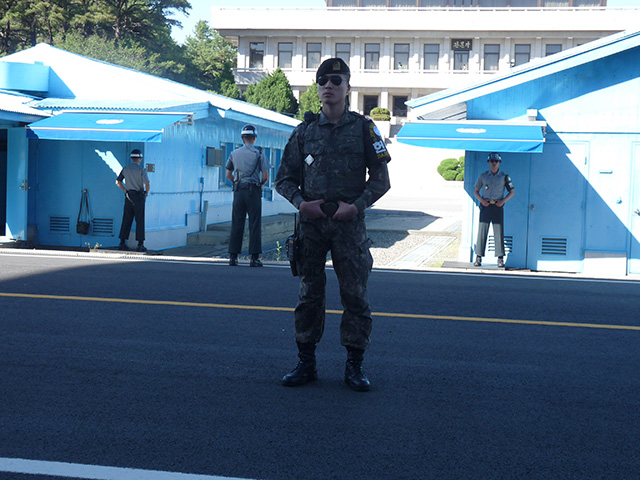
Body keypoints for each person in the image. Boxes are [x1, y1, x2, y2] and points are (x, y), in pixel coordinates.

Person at [275, 58, 391, 392]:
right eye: (323, 80)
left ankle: (355, 366)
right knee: (309, 295)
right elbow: (284, 179)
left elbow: (381, 180)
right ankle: (306, 362)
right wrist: (301, 204)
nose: (329, 85)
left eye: (336, 80)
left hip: (349, 228)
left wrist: (355, 208)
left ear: (348, 87)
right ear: (317, 87)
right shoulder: (304, 131)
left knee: (355, 296)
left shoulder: (364, 130)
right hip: (311, 227)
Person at [226, 124, 271, 267]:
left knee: (237, 222)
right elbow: (265, 177)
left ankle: (233, 257)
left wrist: (237, 183)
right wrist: (259, 185)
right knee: (255, 223)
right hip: (253, 190)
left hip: (239, 190)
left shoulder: (234, 153)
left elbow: (228, 175)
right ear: (255, 138)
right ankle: (254, 258)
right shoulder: (259, 154)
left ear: (242, 138)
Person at [473, 152, 515, 268]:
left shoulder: (504, 176)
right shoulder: (483, 176)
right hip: (486, 206)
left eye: (496, 161)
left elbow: (512, 192)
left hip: (497, 206)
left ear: (499, 163)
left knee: (499, 232)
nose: (494, 163)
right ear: (488, 162)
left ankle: (500, 258)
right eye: (492, 161)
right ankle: (478, 257)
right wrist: (481, 200)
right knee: (482, 231)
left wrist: (503, 201)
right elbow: (476, 191)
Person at [116, 149, 150, 252]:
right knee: (139, 220)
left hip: (128, 195)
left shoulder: (125, 169)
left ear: (131, 158)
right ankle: (140, 244)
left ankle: (122, 242)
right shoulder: (142, 170)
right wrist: (146, 194)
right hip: (139, 196)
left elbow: (118, 182)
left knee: (126, 219)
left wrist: (125, 190)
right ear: (140, 158)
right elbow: (147, 184)